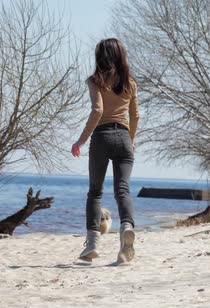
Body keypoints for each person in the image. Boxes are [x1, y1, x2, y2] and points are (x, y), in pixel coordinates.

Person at [71, 38, 139, 264]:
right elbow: (135, 115)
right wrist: (131, 140)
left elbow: (97, 110)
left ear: (100, 57)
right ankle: (127, 228)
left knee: (95, 192)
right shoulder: (130, 82)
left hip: (101, 137)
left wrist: (80, 141)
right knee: (123, 189)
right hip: (124, 138)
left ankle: (92, 245)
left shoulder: (95, 80)